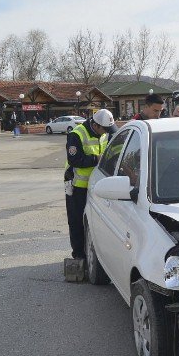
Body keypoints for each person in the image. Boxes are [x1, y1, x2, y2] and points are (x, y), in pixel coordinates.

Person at [64, 109, 114, 260]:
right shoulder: (77, 134)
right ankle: (79, 256)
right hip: (77, 185)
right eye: (104, 129)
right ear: (96, 125)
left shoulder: (105, 133)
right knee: (77, 221)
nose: (105, 133)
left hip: (97, 186)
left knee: (98, 222)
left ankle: (96, 255)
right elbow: (74, 160)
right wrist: (96, 159)